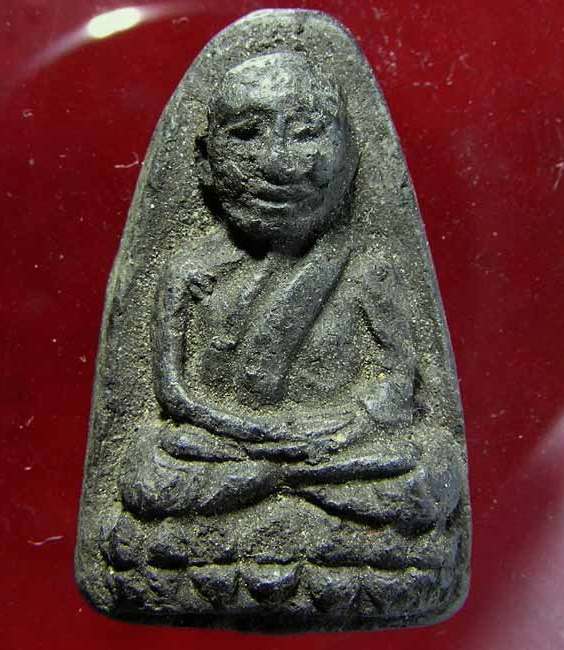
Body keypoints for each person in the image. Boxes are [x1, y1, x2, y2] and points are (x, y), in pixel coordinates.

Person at [117, 52, 460, 548]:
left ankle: (266, 500)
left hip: (334, 447)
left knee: (427, 471)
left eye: (305, 133)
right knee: (151, 464)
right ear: (204, 161)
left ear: (349, 157)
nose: (278, 164)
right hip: (223, 445)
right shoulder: (187, 270)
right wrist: (248, 433)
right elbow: (173, 395)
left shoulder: (366, 269)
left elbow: (399, 381)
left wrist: (338, 432)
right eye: (246, 134)